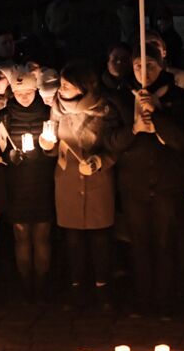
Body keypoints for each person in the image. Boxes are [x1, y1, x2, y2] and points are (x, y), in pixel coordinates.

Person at [44, 59, 130, 312]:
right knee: (72, 240)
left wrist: (100, 161)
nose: (62, 89)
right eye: (61, 84)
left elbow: (115, 148)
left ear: (83, 87)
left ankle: (103, 290)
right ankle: (76, 290)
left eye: (67, 85)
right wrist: (47, 146)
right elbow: (53, 142)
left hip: (97, 183)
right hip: (68, 184)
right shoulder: (56, 109)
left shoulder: (105, 111)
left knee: (100, 240)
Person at [117, 48, 184, 316]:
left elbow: (182, 141)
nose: (143, 71)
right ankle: (142, 300)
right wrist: (135, 129)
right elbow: (112, 142)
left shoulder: (179, 98)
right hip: (134, 184)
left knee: (165, 244)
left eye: (149, 64)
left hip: (166, 184)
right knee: (139, 245)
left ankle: (166, 302)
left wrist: (157, 115)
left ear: (161, 66)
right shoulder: (122, 99)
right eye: (138, 65)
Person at [0, 64, 56, 305]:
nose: (24, 97)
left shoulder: (48, 114)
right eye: (19, 93)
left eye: (29, 92)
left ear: (36, 91)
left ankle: (41, 285)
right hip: (17, 184)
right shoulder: (4, 117)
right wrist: (9, 157)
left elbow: (56, 147)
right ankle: (25, 286)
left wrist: (47, 150)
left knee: (41, 236)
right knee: (21, 237)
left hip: (42, 182)